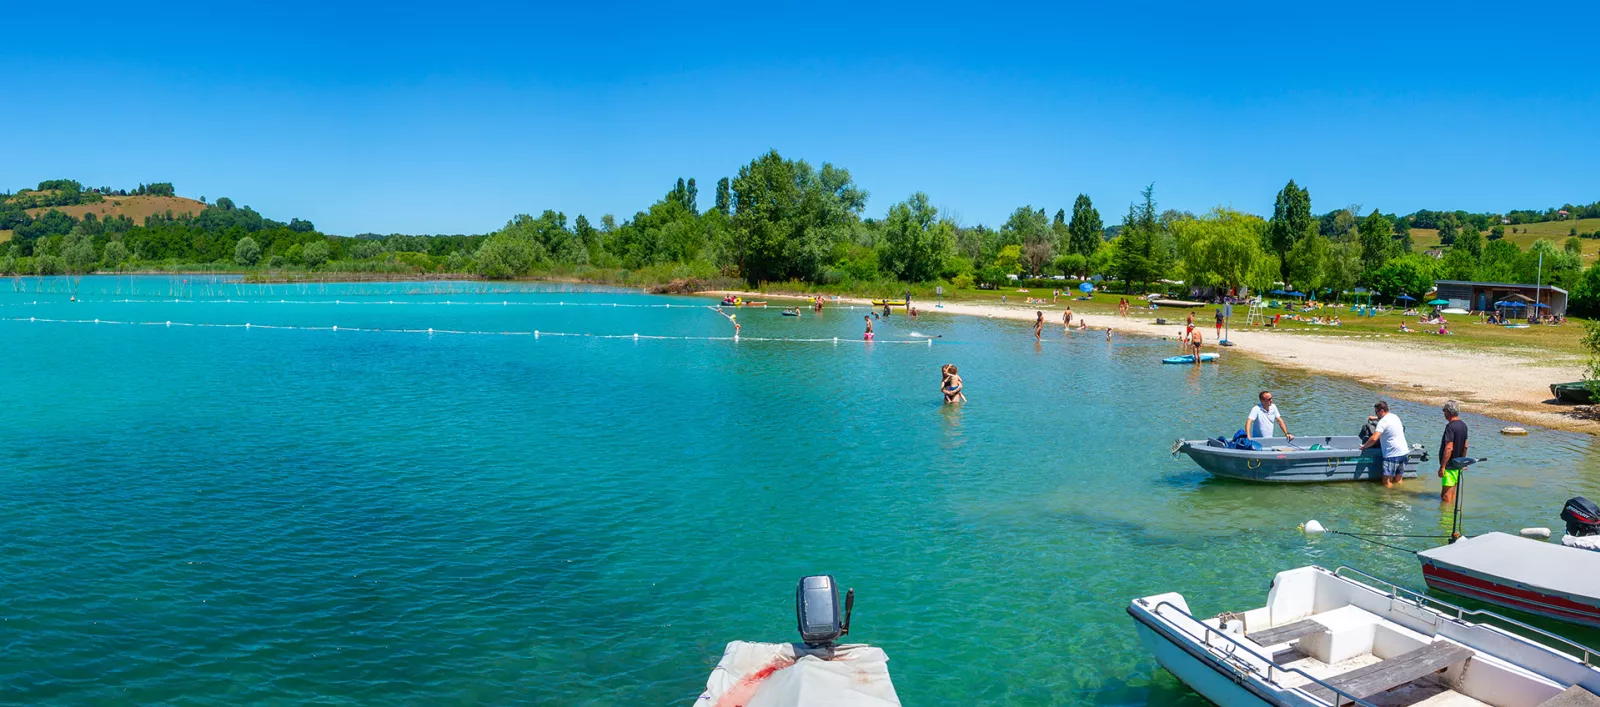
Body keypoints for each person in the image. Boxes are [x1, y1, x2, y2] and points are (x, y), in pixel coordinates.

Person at [1360, 401, 1410, 489]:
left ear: (1382, 411)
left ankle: (1388, 500)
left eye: (1376, 412)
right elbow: (1386, 421)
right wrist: (1375, 418)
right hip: (1404, 452)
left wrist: (1364, 446)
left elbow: (1374, 438)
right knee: (1398, 480)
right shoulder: (1395, 417)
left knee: (1386, 482)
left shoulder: (1382, 422)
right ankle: (1399, 497)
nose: (1376, 414)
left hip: (1392, 454)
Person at [1438, 400, 1468, 505]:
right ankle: (1451, 516)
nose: (1443, 413)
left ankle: (1446, 519)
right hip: (1458, 465)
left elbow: (1449, 448)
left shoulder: (1450, 427)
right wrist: (1463, 462)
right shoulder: (1464, 426)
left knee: (1445, 497)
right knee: (1452, 494)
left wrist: (1443, 467)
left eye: (1444, 411)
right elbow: (1465, 446)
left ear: (1449, 412)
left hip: (1450, 467)